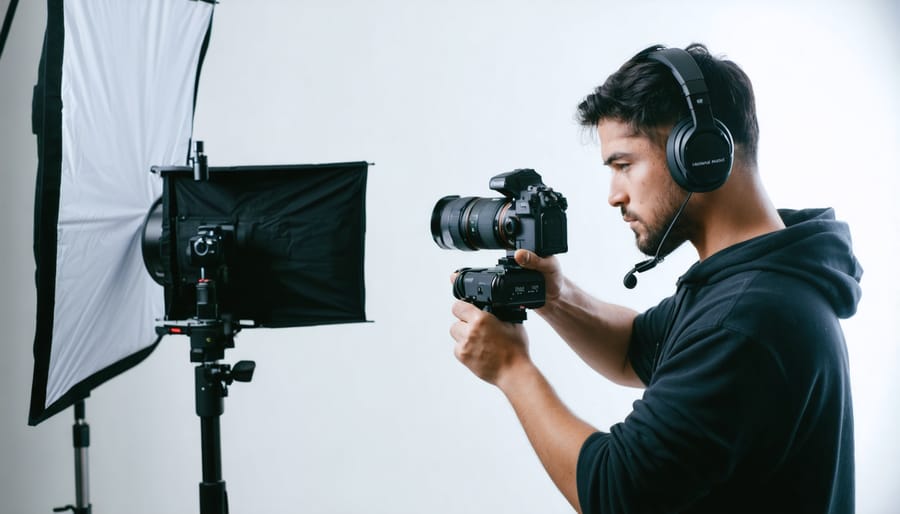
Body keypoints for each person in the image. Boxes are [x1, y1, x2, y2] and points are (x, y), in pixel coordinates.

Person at [448, 43, 862, 514]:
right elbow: (635, 348)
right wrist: (555, 297)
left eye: (623, 165)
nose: (613, 195)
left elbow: (615, 492)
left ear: (700, 152)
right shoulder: (754, 279)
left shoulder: (744, 317)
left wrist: (511, 369)